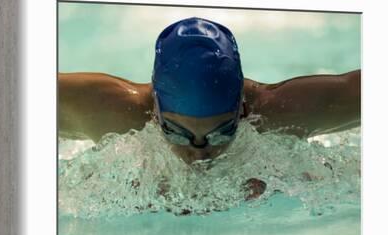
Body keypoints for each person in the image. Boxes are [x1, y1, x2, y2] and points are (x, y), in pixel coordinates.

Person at [59, 16, 360, 166]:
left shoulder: (281, 114)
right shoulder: (109, 112)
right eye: (176, 133)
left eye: (222, 133)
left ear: (242, 109)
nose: (200, 155)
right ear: (155, 110)